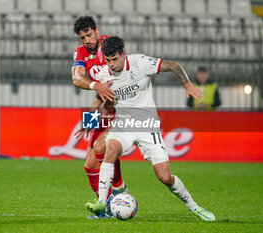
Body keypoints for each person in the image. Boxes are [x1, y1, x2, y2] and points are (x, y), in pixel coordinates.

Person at [85, 36, 216, 221]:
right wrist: (88, 122)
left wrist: (187, 84)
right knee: (110, 148)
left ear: (124, 54)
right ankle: (102, 202)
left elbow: (173, 65)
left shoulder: (140, 63)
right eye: (108, 60)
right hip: (124, 123)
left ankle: (194, 207)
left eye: (115, 59)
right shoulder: (104, 74)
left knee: (165, 177)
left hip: (147, 125)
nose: (112, 64)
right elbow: (99, 97)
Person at [71, 16, 128, 218]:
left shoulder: (109, 47)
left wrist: (98, 92)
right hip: (104, 105)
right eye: (82, 37)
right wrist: (90, 120)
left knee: (101, 147)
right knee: (90, 164)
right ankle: (105, 208)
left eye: (89, 35)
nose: (87, 40)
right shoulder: (81, 52)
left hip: (122, 107)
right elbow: (77, 78)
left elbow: (113, 85)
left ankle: (120, 191)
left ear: (96, 30)